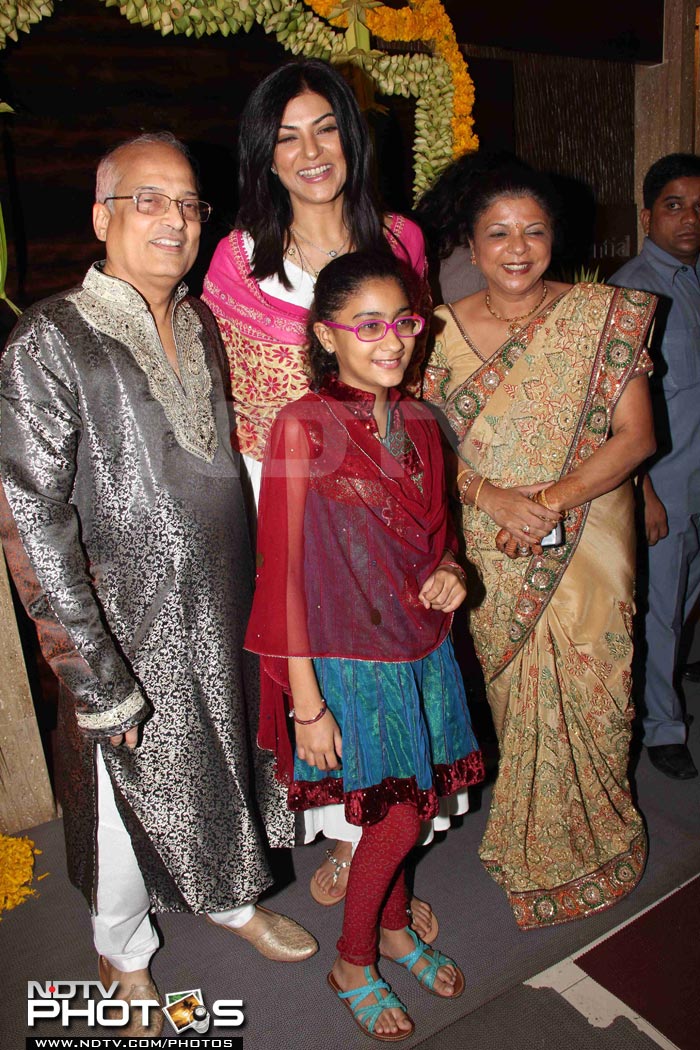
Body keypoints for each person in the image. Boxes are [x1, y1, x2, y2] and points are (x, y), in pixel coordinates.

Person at [0, 133, 317, 1039]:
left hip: (222, 606)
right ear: (102, 216)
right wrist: (93, 675)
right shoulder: (49, 342)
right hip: (125, 628)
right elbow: (30, 520)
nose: (174, 220)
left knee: (225, 772)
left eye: (188, 204)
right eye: (149, 200)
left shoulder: (198, 322)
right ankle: (121, 951)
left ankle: (224, 900)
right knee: (122, 799)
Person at [202, 59, 455, 924]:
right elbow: (219, 388)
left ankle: (381, 860)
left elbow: (413, 373)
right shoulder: (239, 259)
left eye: (325, 129)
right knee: (319, 672)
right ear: (263, 158)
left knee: (393, 663)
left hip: (378, 493)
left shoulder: (401, 239)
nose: (310, 152)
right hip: (284, 490)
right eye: (286, 138)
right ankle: (362, 844)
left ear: (352, 136)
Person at [245, 251, 483, 1040]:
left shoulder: (418, 421)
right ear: (327, 334)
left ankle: (390, 931)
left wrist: (451, 571)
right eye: (369, 325)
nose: (393, 342)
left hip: (421, 650)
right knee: (398, 816)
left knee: (407, 799)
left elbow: (439, 540)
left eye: (405, 323)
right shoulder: (302, 426)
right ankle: (355, 958)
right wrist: (305, 704)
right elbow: (279, 573)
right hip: (348, 661)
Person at [423, 164, 657, 930]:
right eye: (499, 233)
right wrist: (493, 499)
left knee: (598, 680)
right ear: (472, 242)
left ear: (555, 237)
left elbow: (637, 436)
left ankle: (598, 836)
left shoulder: (602, 316)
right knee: (513, 692)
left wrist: (548, 500)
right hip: (493, 540)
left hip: (591, 531)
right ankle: (529, 843)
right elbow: (422, 451)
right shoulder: (437, 332)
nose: (517, 248)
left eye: (534, 231)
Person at [609, 153, 700, 781]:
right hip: (664, 478)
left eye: (699, 207)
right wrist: (642, 493)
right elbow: (613, 408)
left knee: (686, 599)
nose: (689, 219)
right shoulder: (631, 289)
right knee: (660, 607)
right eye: (674, 205)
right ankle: (662, 726)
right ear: (647, 214)